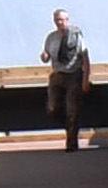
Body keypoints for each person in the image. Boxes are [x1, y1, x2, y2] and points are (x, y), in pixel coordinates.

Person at [42, 8, 99, 150]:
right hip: (57, 74)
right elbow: (47, 55)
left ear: (67, 20)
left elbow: (85, 57)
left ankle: (71, 142)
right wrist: (44, 56)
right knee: (53, 108)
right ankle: (67, 127)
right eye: (57, 20)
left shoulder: (76, 36)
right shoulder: (51, 37)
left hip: (73, 74)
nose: (60, 22)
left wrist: (85, 79)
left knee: (72, 110)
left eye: (62, 19)